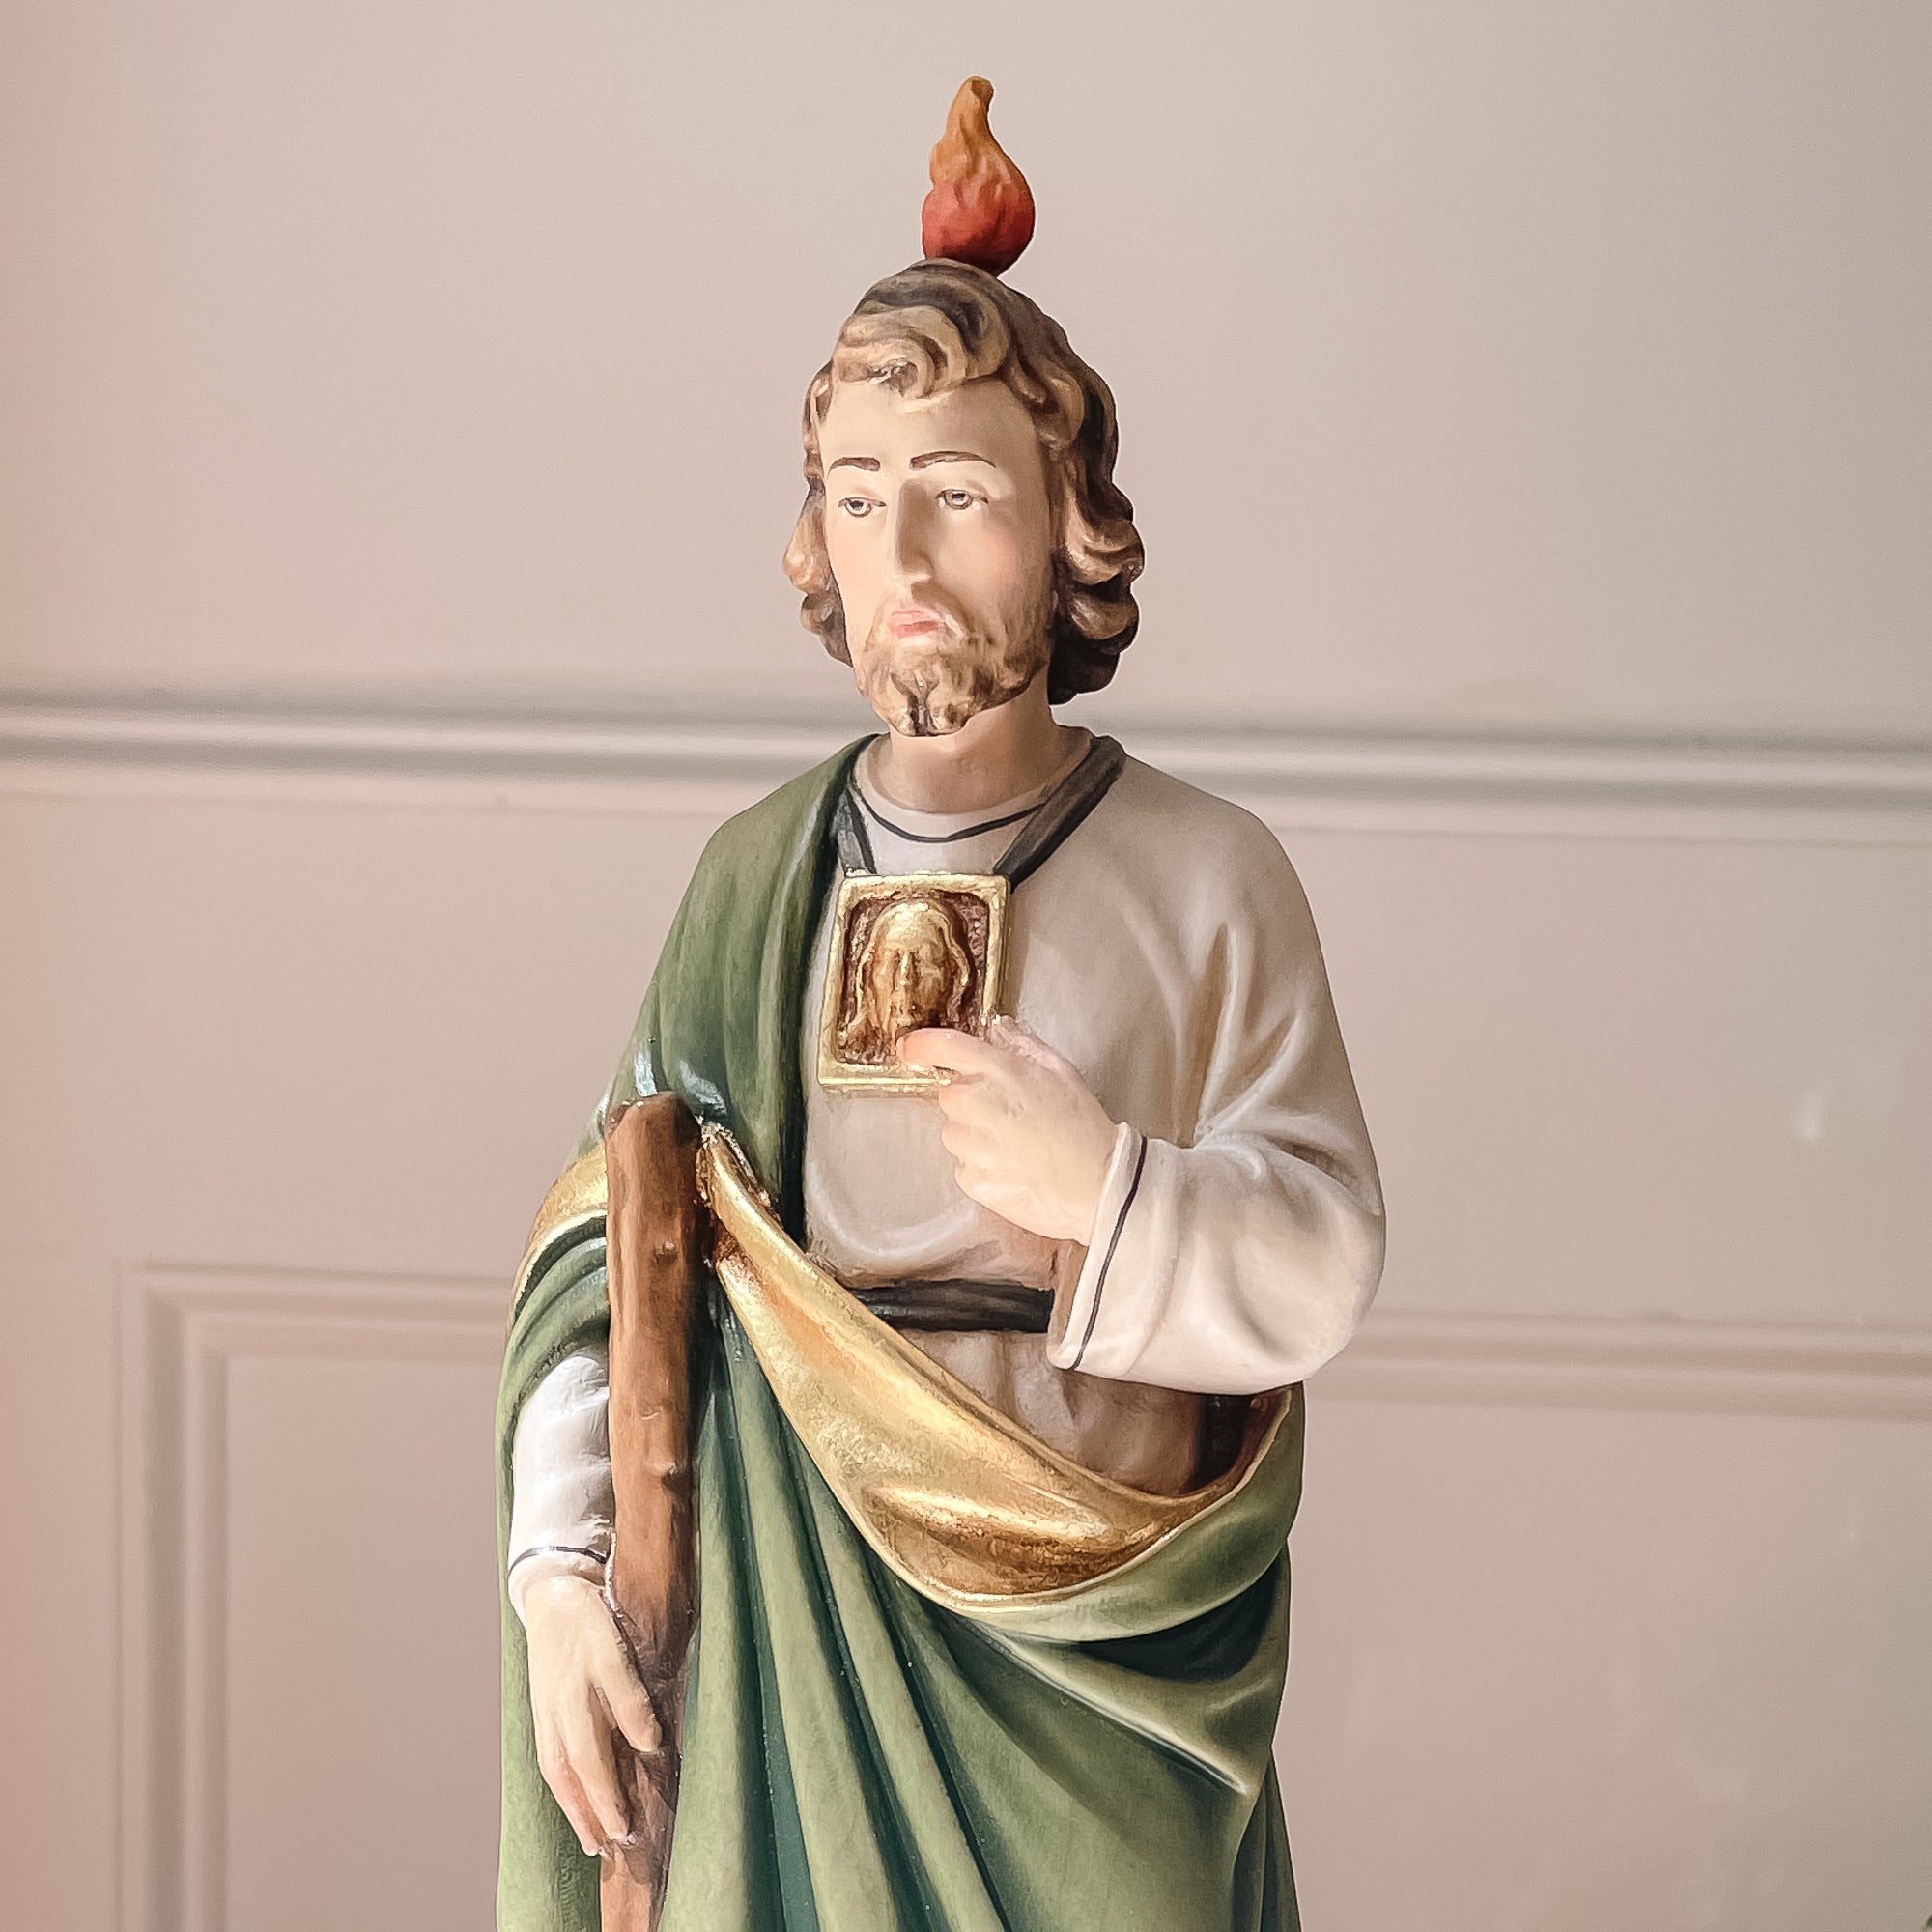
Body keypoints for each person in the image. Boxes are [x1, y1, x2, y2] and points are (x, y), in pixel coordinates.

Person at [497, 77, 1384, 1932]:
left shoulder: (1206, 879)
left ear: (1069, 524)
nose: (900, 565)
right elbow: (608, 1250)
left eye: (959, 497)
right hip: (786, 1628)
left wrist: (1108, 1193)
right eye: (858, 499)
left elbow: (1320, 1259)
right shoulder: (758, 880)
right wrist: (560, 1572)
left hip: (1094, 1669)